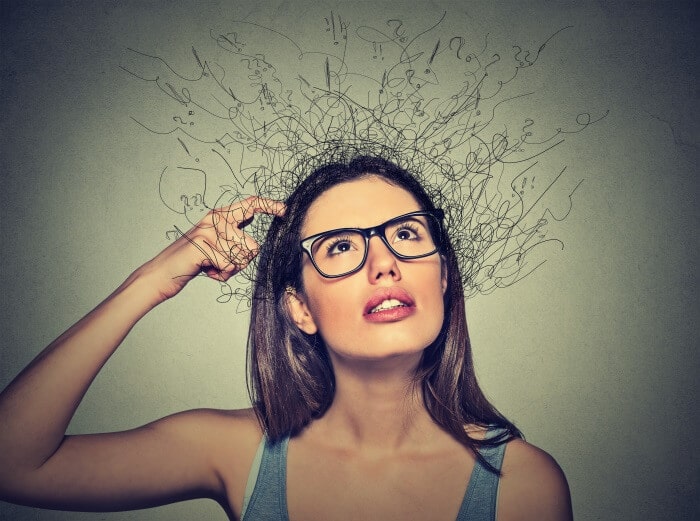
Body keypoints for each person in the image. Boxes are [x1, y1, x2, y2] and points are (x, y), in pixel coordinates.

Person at [0, 155, 572, 520]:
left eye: (405, 233)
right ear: (300, 308)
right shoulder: (237, 453)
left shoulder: (523, 486)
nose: (385, 264)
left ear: (443, 277)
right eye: (341, 246)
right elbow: (13, 464)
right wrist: (152, 281)